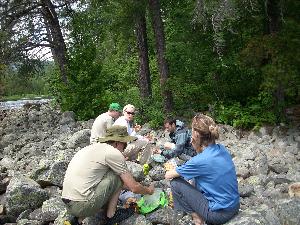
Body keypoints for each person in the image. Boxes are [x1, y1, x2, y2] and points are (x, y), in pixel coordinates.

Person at [62, 125, 155, 224]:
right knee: (116, 176)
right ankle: (111, 215)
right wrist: (149, 190)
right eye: (125, 144)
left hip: (69, 204)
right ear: (117, 143)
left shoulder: (90, 148)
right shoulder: (113, 153)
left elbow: (116, 185)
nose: (125, 148)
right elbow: (134, 187)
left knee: (110, 176)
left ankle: (78, 219)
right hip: (82, 205)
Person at [165, 114, 240, 225]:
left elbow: (169, 176)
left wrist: (172, 169)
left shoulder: (200, 160)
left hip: (218, 215)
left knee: (176, 183)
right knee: (195, 177)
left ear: (196, 134)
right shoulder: (221, 149)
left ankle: (197, 219)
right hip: (234, 206)